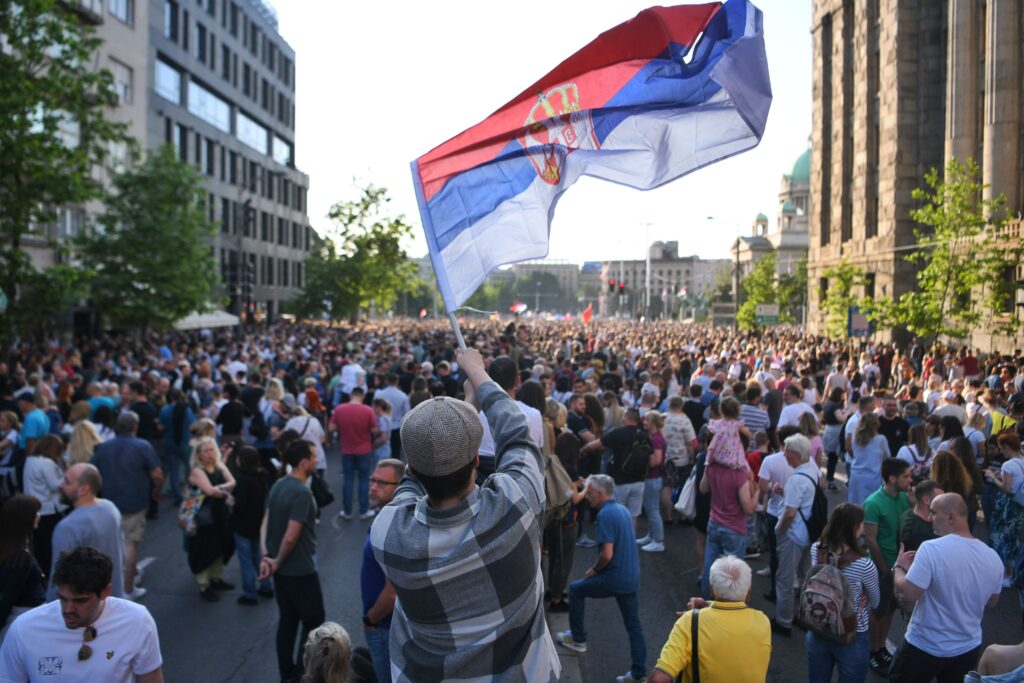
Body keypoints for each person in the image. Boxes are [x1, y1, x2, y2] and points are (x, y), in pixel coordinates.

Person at [372, 347, 560, 682]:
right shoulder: (514, 506)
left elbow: (410, 481)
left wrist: (461, 414)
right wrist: (478, 375)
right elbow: (517, 433)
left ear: (412, 466)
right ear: (476, 460)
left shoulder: (388, 533)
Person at [0, 546, 163, 682]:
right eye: (63, 598)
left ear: (105, 591)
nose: (68, 609)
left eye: (80, 601)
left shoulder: (137, 620)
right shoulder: (24, 629)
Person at [890, 493, 1003, 682]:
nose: (929, 518)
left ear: (951, 516)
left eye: (933, 513)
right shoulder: (993, 557)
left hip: (924, 646)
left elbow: (909, 593)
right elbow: (992, 601)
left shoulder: (931, 549)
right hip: (967, 647)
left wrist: (899, 567)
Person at [556, 474, 647, 683]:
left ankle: (578, 639)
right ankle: (639, 673)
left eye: (589, 494)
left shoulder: (605, 515)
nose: (587, 498)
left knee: (577, 589)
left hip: (614, 577)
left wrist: (595, 569)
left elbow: (607, 554)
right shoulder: (622, 510)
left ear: (599, 493)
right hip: (631, 577)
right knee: (634, 626)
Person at [259, 439, 326, 683]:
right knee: (314, 620)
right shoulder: (302, 492)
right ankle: (301, 674)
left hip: (282, 571)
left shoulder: (278, 485)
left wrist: (267, 557)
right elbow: (291, 534)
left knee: (288, 620)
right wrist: (276, 560)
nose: (317, 461)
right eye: (314, 457)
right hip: (301, 570)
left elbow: (265, 522)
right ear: (303, 462)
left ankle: (287, 673)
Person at [647, 556, 771, 683]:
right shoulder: (763, 621)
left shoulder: (690, 622)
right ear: (749, 593)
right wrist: (708, 606)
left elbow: (658, 679)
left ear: (712, 590)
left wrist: (696, 616)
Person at [90, 412, 163, 600]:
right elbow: (157, 473)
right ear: (135, 427)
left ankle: (114, 584)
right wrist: (157, 490)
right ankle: (128, 589)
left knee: (114, 542)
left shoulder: (104, 447)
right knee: (130, 542)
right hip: (134, 501)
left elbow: (92, 472)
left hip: (109, 501)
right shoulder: (142, 446)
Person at [806, 503, 880, 683]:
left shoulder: (817, 549)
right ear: (855, 528)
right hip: (852, 633)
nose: (863, 528)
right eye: (862, 524)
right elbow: (876, 602)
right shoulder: (864, 564)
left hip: (819, 625)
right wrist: (863, 597)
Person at [698, 398, 757, 601]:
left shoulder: (712, 466)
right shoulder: (740, 474)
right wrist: (757, 492)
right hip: (734, 528)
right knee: (733, 576)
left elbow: (703, 488)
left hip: (714, 522)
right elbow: (748, 508)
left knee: (710, 569)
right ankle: (730, 610)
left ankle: (708, 604)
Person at [861, 457, 912, 675]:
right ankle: (872, 652)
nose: (910, 480)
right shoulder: (873, 503)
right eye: (906, 476)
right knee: (877, 611)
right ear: (892, 478)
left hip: (899, 567)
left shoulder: (904, 498)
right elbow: (871, 540)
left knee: (890, 609)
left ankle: (881, 647)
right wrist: (884, 570)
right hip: (882, 568)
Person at [48, 464, 124, 600]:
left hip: (85, 611)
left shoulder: (67, 527)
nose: (61, 485)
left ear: (83, 489)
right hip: (114, 600)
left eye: (67, 481)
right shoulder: (111, 508)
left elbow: (58, 581)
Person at [770, 433, 818, 636]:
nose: (784, 455)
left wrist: (780, 530)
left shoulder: (797, 479)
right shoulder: (812, 469)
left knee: (785, 579)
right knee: (805, 575)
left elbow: (790, 512)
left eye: (787, 452)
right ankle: (803, 615)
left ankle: (784, 621)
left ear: (796, 454)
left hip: (793, 535)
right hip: (807, 533)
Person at [360, 458, 403, 683]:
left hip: (384, 628)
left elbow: (392, 592)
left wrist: (370, 620)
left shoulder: (393, 524)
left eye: (382, 483)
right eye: (372, 480)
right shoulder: (384, 516)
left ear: (400, 486)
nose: (373, 487)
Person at [476, 355, 545, 480]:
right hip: (522, 481)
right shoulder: (534, 414)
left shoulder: (475, 414)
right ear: (517, 381)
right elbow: (538, 454)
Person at [580, 408, 648, 532]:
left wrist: (582, 450)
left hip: (621, 479)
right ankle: (630, 540)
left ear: (626, 417)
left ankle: (618, 540)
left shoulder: (619, 433)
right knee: (633, 515)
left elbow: (596, 444)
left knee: (619, 513)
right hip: (640, 479)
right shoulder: (644, 435)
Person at [185, 437, 236, 602]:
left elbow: (233, 482)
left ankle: (215, 578)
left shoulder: (219, 466)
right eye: (205, 451)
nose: (210, 454)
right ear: (198, 455)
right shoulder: (197, 471)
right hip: (202, 518)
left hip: (219, 514)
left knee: (221, 546)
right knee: (204, 548)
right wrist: (224, 492)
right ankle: (203, 585)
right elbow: (209, 491)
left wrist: (218, 490)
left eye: (212, 449)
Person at [327, 388, 381, 520]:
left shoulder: (340, 409)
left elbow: (331, 428)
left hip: (347, 450)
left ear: (351, 395)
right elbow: (375, 430)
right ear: (362, 396)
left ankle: (347, 511)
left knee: (348, 480)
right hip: (364, 449)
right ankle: (364, 510)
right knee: (363, 480)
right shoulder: (368, 410)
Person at [231, 445, 274, 605]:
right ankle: (265, 585)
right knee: (258, 556)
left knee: (245, 560)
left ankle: (250, 594)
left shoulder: (242, 480)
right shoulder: (263, 475)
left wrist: (231, 501)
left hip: (243, 525)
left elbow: (240, 505)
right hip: (259, 523)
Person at [0, 495, 46, 638]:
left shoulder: (16, 552)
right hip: (23, 624)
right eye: (36, 512)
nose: (39, 516)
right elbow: (7, 600)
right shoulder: (20, 558)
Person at [21, 435, 66, 580]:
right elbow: (55, 485)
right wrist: (65, 477)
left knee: (38, 546)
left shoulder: (30, 460)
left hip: (33, 508)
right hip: (48, 509)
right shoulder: (47, 463)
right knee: (48, 547)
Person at [983, 433, 1024, 588]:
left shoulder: (1008, 465)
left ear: (1006, 447)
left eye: (1001, 448)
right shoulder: (1021, 460)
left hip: (1006, 505)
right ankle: (1010, 573)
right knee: (1014, 538)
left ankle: (1000, 573)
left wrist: (992, 477)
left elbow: (1006, 487)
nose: (1001, 451)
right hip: (1018, 505)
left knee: (999, 536)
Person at [158, 389, 196, 505]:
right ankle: (188, 491)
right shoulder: (187, 410)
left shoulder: (165, 410)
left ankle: (177, 495)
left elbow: (161, 427)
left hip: (170, 442)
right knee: (188, 467)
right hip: (185, 442)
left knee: (173, 469)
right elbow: (193, 425)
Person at [637, 410, 667, 552]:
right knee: (651, 509)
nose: (644, 422)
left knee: (653, 509)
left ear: (653, 423)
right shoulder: (655, 437)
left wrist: (642, 458)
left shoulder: (655, 439)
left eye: (646, 420)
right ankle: (651, 535)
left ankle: (658, 541)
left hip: (653, 477)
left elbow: (656, 461)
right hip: (652, 478)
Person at [848, 413, 890, 505]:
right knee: (871, 504)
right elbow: (888, 457)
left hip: (856, 475)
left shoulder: (855, 437)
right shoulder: (881, 439)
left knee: (855, 505)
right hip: (873, 477)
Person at [899, 479, 943, 553]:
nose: (943, 501)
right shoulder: (912, 530)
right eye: (940, 498)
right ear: (926, 500)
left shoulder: (912, 513)